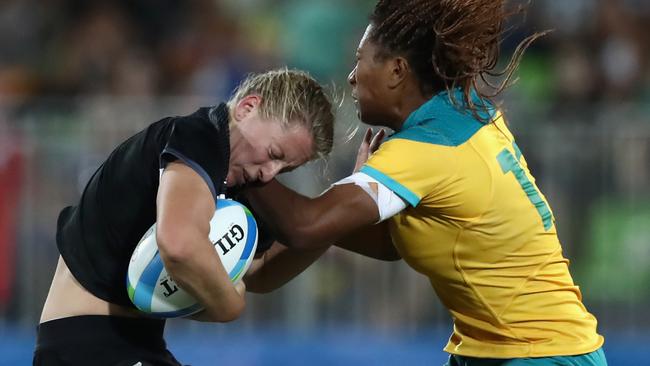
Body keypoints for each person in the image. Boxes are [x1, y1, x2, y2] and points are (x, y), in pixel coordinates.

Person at [243, 1, 608, 365]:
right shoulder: (466, 117)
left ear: (397, 70)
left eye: (360, 59)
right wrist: (335, 214)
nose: (352, 75)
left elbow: (305, 226)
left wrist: (238, 151)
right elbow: (393, 242)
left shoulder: (426, 149)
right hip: (512, 349)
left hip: (541, 354)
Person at [34, 68, 335, 366]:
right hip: (87, 347)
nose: (269, 173)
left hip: (136, 345)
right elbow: (179, 245)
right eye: (273, 153)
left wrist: (340, 220)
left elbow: (261, 270)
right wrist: (229, 306)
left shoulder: (238, 182)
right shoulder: (198, 137)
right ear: (247, 108)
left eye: (286, 169)